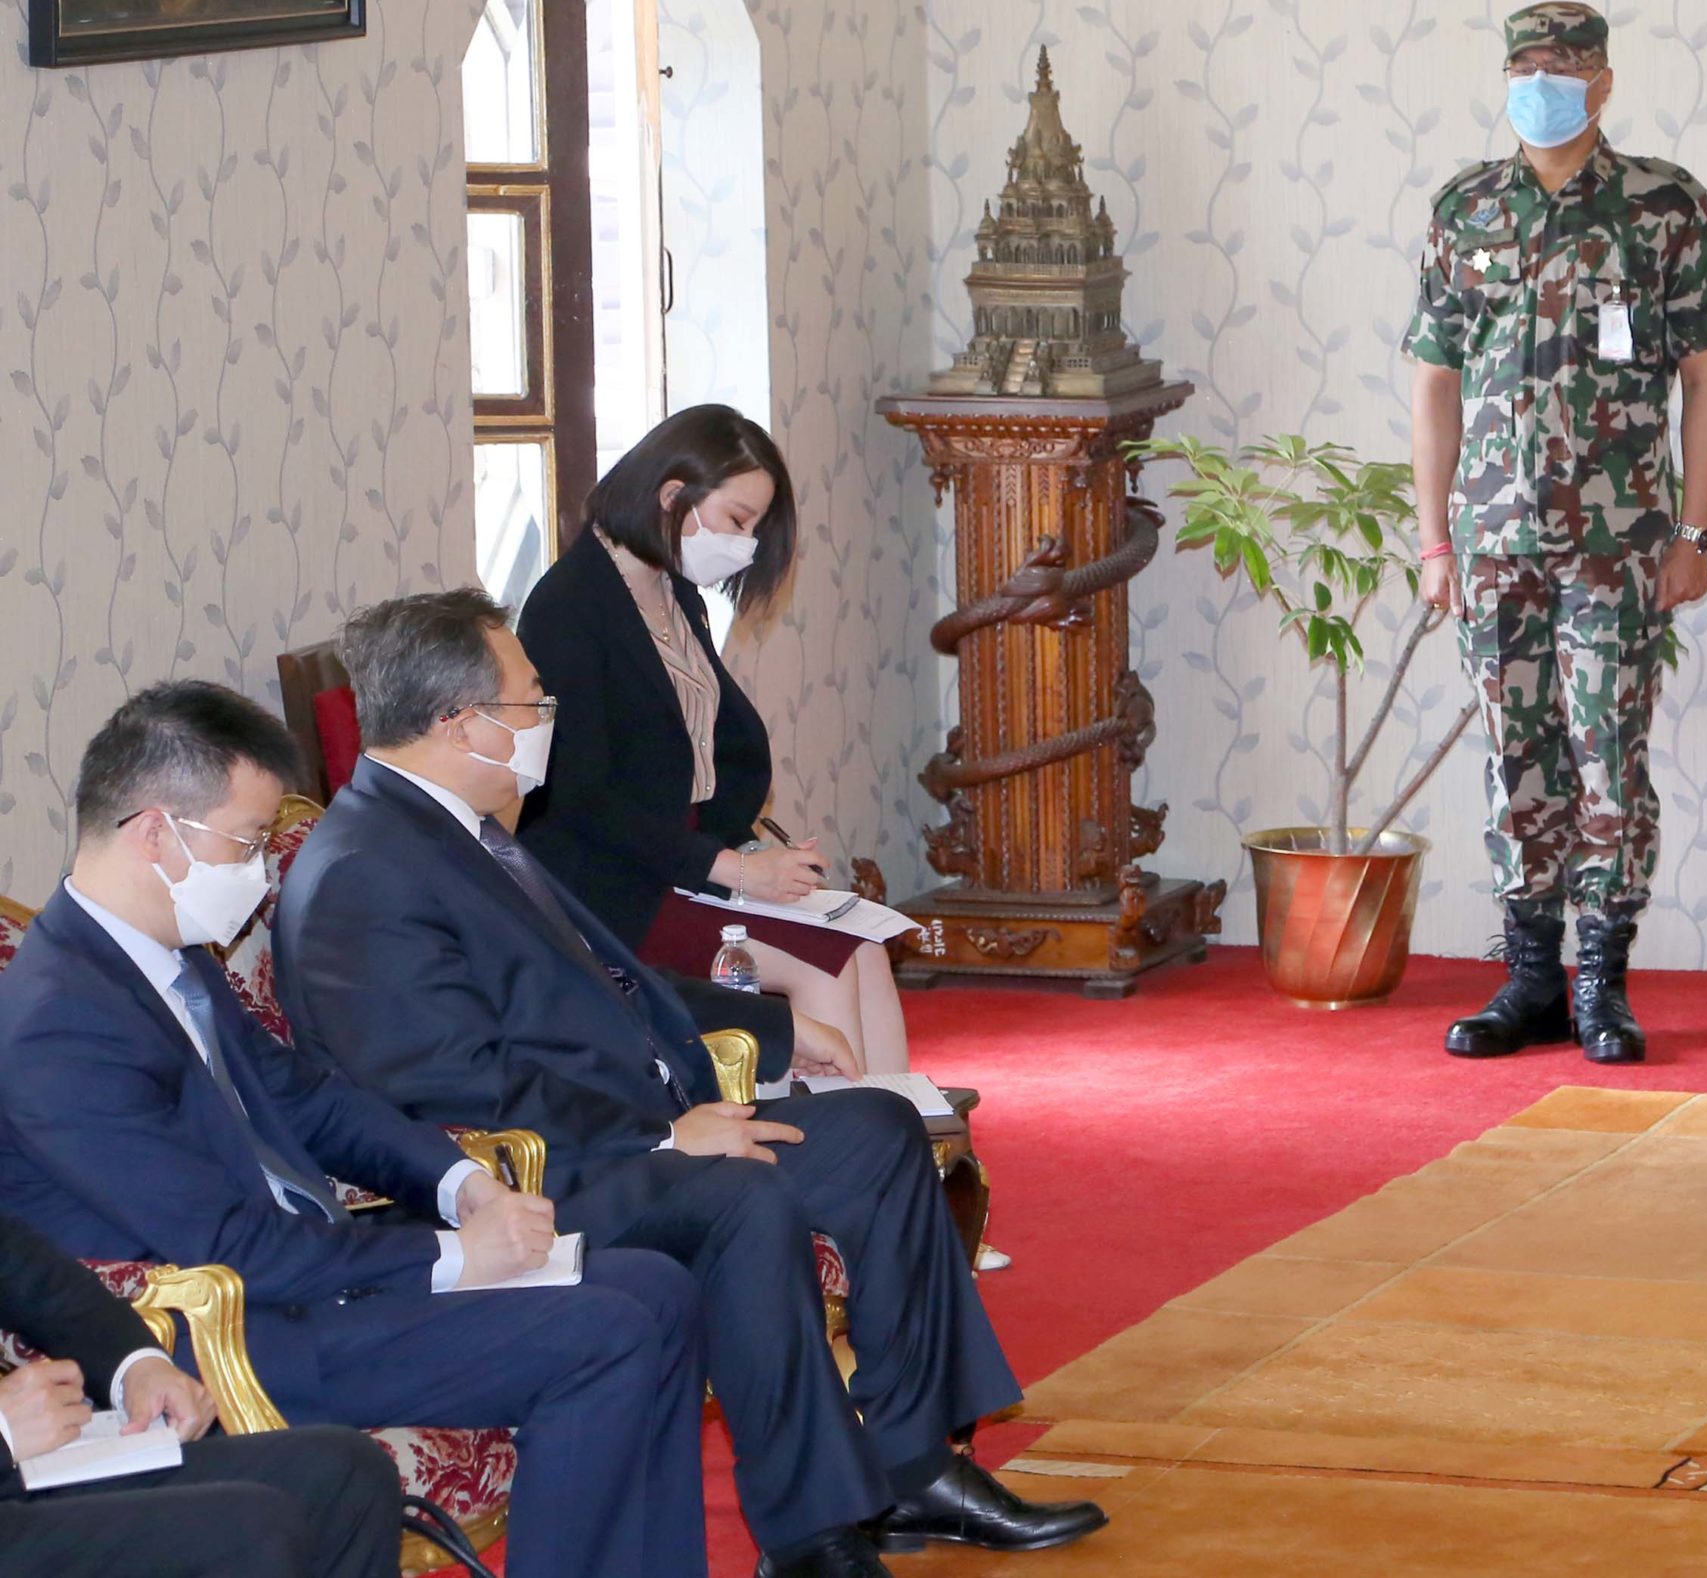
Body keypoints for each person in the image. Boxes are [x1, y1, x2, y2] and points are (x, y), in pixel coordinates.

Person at [275, 590, 1104, 1565]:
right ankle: (817, 1535)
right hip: (528, 1174)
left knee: (877, 1127)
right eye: (533, 700)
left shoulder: (465, 825)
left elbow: (609, 983)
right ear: (463, 722)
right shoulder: (362, 871)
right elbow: (448, 1094)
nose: (550, 720)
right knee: (738, 1196)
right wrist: (664, 1138)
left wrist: (776, 1029)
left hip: (631, 1123)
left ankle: (914, 1466)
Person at [0, 683, 715, 1578]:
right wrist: (456, 1259)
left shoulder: (164, 956)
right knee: (605, 1333)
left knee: (657, 1286)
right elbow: (229, 1245)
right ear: (156, 833)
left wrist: (466, 1187)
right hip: (243, 1329)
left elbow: (309, 1099)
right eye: (247, 842)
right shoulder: (56, 1023)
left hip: (319, 1273)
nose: (260, 872)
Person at [1407, 0, 1707, 1065]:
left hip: (1619, 545)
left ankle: (1602, 976)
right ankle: (1530, 976)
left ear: (1602, 82)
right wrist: (1434, 543)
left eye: (1561, 65)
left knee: (1606, 755)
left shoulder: (1662, 206)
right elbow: (1432, 388)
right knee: (1515, 758)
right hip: (1493, 540)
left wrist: (1694, 532)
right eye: (1522, 64)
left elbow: (1706, 379)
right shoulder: (1465, 208)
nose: (1539, 82)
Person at [515, 403, 907, 1081]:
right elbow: (581, 798)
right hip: (605, 890)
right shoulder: (568, 607)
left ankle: (910, 1150)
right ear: (673, 496)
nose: (745, 545)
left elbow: (705, 752)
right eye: (737, 521)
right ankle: (842, 1165)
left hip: (681, 865)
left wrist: (752, 855)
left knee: (863, 947)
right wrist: (732, 870)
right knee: (826, 965)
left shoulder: (673, 594)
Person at [0, 1206, 403, 1578]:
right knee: (246, 1529)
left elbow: (34, 1278)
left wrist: (139, 1366)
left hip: (26, 1471)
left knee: (344, 1472)